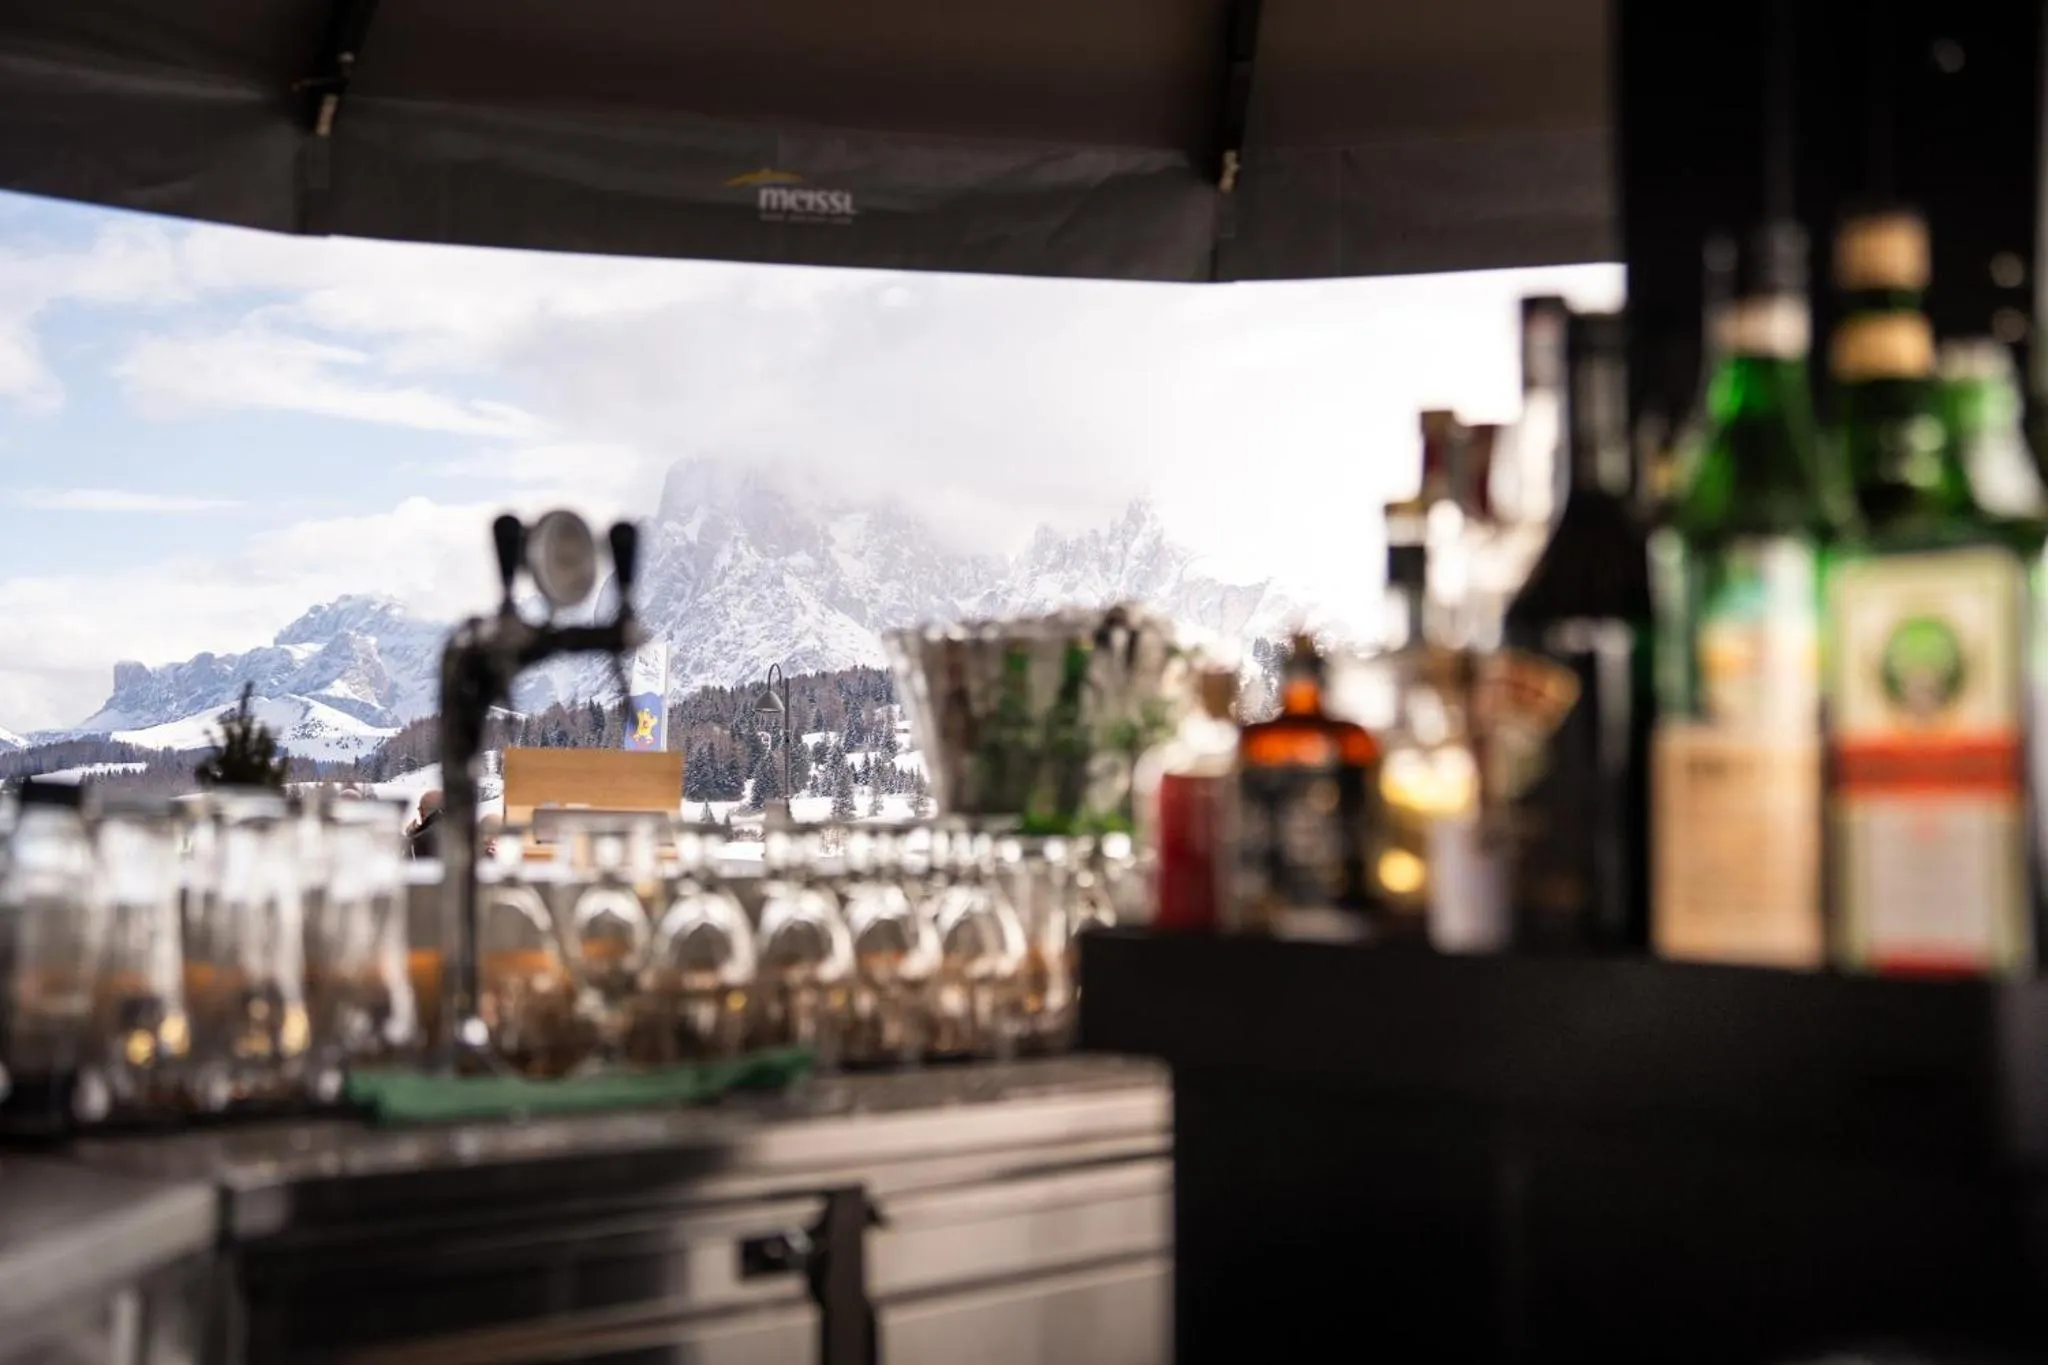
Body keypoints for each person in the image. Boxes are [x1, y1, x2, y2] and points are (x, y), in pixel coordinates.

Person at [406, 789, 444, 860]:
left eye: (419, 809)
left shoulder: (424, 837)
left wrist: (412, 835)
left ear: (422, 812)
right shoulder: (457, 828)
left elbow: (409, 856)